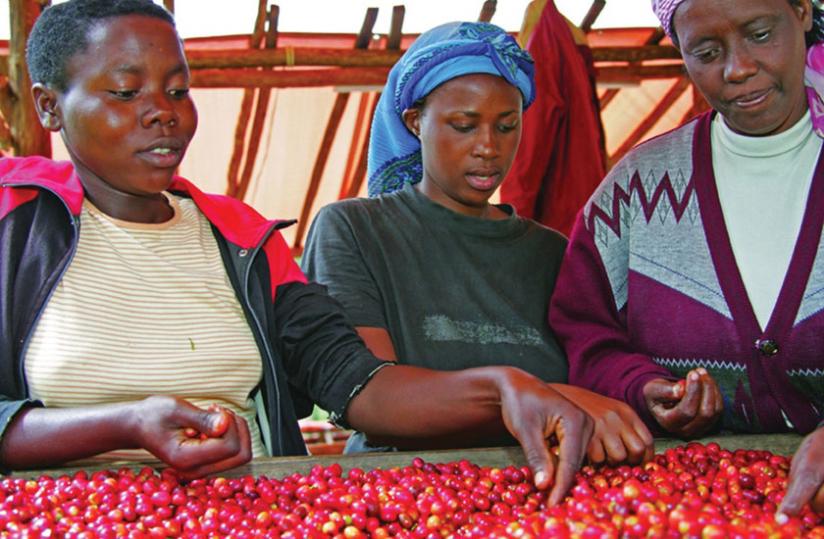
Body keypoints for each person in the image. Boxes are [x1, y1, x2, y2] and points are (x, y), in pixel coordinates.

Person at [0, 0, 594, 505]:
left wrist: (505, 387)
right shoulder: (13, 229)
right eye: (127, 91)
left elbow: (360, 386)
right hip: (60, 517)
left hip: (245, 513)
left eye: (178, 90)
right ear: (49, 106)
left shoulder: (243, 242)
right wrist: (124, 422)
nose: (165, 112)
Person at [302, 21, 653, 466]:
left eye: (506, 126)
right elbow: (373, 395)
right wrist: (537, 396)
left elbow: (599, 362)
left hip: (549, 486)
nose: (488, 147)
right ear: (415, 122)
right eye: (464, 125)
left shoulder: (553, 254)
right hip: (406, 489)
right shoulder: (356, 230)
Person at [548, 0, 824, 516]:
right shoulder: (632, 192)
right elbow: (585, 337)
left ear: (803, 11)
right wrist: (643, 388)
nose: (738, 68)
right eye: (706, 51)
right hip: (696, 511)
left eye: (761, 34)